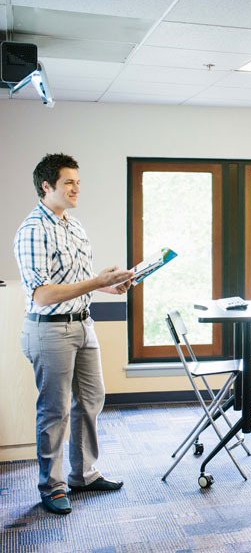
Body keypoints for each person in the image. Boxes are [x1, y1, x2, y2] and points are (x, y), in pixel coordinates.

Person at [14, 153, 134, 515]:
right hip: (50, 331)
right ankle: (52, 487)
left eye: (78, 182)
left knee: (92, 399)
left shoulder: (74, 226)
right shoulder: (33, 229)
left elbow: (75, 282)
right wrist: (97, 281)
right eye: (69, 182)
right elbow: (42, 294)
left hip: (83, 324)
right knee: (55, 411)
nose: (76, 188)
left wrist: (109, 287)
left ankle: (83, 474)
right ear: (46, 186)